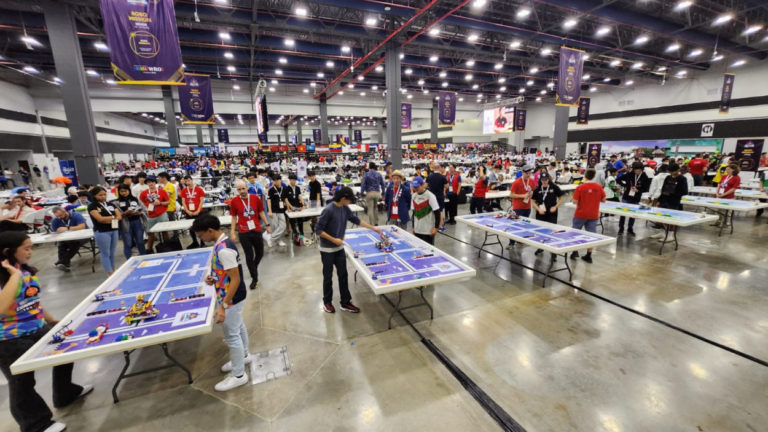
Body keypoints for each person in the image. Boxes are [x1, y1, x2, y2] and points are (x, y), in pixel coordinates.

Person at [0, 232, 93, 432]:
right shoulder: (11, 274)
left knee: (64, 352)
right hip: (9, 338)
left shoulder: (22, 270)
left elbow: (31, 301)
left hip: (37, 327)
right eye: (26, 248)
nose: (30, 252)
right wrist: (14, 277)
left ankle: (65, 393)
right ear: (8, 251)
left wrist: (50, 319)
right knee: (22, 382)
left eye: (30, 247)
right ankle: (35, 424)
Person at [192, 215, 251, 392]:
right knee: (238, 327)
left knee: (232, 335)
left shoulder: (224, 249)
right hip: (231, 296)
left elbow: (235, 279)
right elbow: (226, 272)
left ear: (210, 231)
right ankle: (245, 356)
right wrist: (215, 277)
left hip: (231, 298)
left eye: (201, 235)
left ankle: (239, 375)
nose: (201, 239)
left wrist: (223, 306)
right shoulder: (221, 244)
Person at [315, 187, 382, 314]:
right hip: (327, 250)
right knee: (328, 277)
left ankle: (345, 302)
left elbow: (356, 220)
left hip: (339, 247)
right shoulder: (328, 210)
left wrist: (373, 228)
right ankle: (327, 302)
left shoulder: (344, 208)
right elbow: (318, 230)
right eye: (349, 200)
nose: (350, 203)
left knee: (343, 275)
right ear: (343, 198)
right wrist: (334, 240)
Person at [229, 180, 271, 290]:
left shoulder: (255, 198)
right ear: (237, 190)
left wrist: (267, 224)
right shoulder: (234, 201)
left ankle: (253, 267)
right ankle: (254, 278)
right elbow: (233, 217)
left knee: (260, 253)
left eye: (243, 188)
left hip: (256, 229)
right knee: (248, 255)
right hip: (243, 232)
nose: (242, 191)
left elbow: (261, 212)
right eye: (239, 189)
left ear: (247, 188)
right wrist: (232, 232)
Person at [570, 169, 606, 263]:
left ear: (585, 175)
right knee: (591, 235)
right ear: (594, 176)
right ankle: (589, 255)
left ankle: (575, 251)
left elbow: (575, 201)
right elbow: (604, 200)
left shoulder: (580, 187)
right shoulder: (599, 187)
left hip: (580, 214)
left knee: (575, 233)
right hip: (593, 214)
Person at [87, 187, 121, 275]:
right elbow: (100, 219)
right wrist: (113, 217)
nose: (103, 197)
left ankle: (113, 269)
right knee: (105, 253)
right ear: (94, 196)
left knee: (112, 252)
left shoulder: (110, 204)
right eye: (100, 195)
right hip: (102, 231)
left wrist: (109, 219)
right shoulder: (92, 206)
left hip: (114, 229)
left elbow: (119, 217)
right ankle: (110, 272)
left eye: (104, 194)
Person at [651, 163, 689, 240]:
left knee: (671, 219)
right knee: (659, 217)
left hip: (674, 201)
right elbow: (663, 189)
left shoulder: (682, 179)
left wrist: (673, 192)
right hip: (664, 200)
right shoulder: (668, 177)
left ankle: (670, 235)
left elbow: (685, 191)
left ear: (678, 170)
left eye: (673, 171)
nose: (671, 173)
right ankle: (662, 232)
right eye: (670, 171)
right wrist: (659, 200)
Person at [615, 162, 650, 236]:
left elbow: (646, 188)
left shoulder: (644, 176)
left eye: (639, 170)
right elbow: (618, 179)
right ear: (633, 169)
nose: (637, 172)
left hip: (636, 197)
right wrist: (626, 186)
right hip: (627, 196)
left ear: (642, 170)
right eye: (636, 170)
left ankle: (630, 228)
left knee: (633, 214)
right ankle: (621, 228)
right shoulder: (629, 174)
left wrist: (639, 190)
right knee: (623, 213)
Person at [114, 184, 147, 260]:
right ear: (119, 192)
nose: (124, 193)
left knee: (140, 241)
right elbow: (116, 215)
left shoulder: (135, 199)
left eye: (125, 191)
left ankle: (144, 257)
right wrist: (125, 213)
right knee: (128, 243)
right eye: (121, 191)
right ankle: (129, 259)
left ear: (129, 191)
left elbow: (144, 209)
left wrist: (140, 213)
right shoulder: (116, 202)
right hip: (125, 224)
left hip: (137, 222)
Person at [50, 206, 87, 272]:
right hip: (67, 238)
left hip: (83, 235)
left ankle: (61, 262)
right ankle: (65, 264)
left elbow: (82, 226)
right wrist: (57, 232)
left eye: (60, 215)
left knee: (75, 243)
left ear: (65, 211)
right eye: (57, 216)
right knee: (62, 244)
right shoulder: (55, 220)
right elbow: (55, 233)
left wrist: (68, 228)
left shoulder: (76, 215)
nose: (59, 217)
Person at [139, 176, 170, 252]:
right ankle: (149, 249)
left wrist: (160, 203)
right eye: (149, 182)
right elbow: (141, 202)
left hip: (161, 214)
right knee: (150, 233)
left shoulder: (162, 191)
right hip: (150, 215)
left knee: (165, 231)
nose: (151, 184)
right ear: (147, 184)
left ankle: (168, 247)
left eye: (152, 182)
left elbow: (168, 202)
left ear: (155, 183)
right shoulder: (144, 193)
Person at [507, 164, 536, 248]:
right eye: (527, 173)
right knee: (514, 225)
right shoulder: (516, 182)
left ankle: (520, 240)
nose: (529, 175)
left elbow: (533, 190)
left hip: (527, 207)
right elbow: (511, 195)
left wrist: (531, 194)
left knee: (523, 225)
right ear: (523, 172)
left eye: (530, 173)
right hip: (518, 207)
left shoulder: (531, 181)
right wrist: (522, 196)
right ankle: (511, 243)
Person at [410, 176, 443, 245]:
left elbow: (437, 213)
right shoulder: (413, 196)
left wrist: (436, 228)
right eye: (414, 187)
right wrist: (413, 227)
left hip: (428, 231)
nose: (415, 189)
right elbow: (414, 213)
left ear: (422, 185)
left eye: (417, 187)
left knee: (429, 252)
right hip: (417, 229)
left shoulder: (430, 196)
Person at [179, 175, 206, 248]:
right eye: (186, 181)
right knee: (191, 228)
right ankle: (195, 242)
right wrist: (187, 211)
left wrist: (198, 210)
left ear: (192, 180)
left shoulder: (198, 189)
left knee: (200, 227)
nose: (187, 182)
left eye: (188, 180)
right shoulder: (184, 190)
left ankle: (202, 242)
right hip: (189, 213)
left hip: (198, 212)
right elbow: (183, 202)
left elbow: (201, 201)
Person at [267, 173, 287, 247]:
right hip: (273, 210)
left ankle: (271, 238)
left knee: (283, 226)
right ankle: (278, 240)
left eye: (277, 180)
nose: (275, 182)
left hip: (281, 210)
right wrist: (269, 211)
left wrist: (288, 207)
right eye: (274, 181)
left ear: (280, 180)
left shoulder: (284, 189)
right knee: (275, 226)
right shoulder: (271, 190)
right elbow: (268, 201)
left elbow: (285, 199)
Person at [284, 173, 307, 240]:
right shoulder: (286, 188)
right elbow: (286, 199)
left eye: (294, 180)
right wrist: (290, 207)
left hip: (298, 207)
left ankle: (301, 236)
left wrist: (303, 204)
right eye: (292, 180)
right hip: (291, 208)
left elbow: (300, 197)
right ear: (289, 180)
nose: (293, 181)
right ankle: (295, 236)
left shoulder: (297, 188)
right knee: (292, 222)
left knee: (300, 222)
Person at [426, 163, 448, 230]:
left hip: (431, 196)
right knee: (440, 211)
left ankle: (431, 225)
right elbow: (446, 186)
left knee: (431, 211)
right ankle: (440, 226)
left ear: (433, 168)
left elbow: (426, 185)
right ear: (439, 168)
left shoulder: (429, 176)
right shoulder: (442, 177)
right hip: (440, 196)